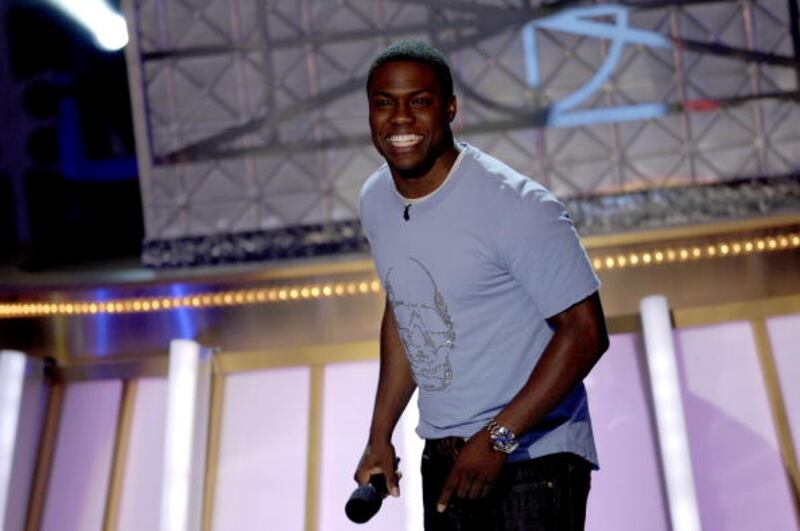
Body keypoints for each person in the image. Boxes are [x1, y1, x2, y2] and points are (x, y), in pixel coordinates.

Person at [353, 39, 609, 531]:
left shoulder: (516, 204)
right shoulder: (376, 199)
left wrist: (497, 438)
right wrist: (380, 434)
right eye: (384, 103)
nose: (400, 118)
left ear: (450, 108)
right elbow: (406, 309)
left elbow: (586, 333)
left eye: (419, 101)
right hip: (443, 460)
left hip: (532, 462)